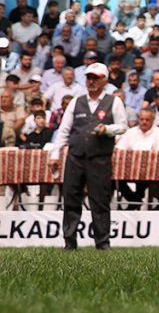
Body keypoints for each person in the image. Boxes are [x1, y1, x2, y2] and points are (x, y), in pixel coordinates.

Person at [47, 63, 128, 250]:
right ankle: (69, 242)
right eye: (89, 77)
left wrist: (107, 129)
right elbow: (64, 130)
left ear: (104, 80)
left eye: (96, 77)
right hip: (75, 156)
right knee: (71, 198)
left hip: (100, 158)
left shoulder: (114, 101)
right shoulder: (76, 101)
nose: (91, 81)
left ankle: (102, 243)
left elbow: (123, 126)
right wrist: (55, 154)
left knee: (100, 201)